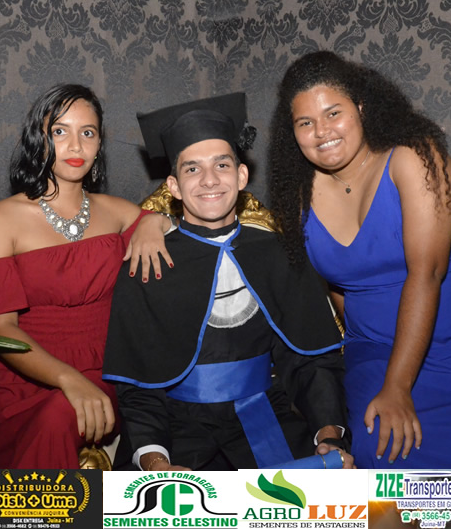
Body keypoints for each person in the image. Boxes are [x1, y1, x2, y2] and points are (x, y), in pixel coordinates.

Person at [268, 51, 451, 468]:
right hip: (373, 355)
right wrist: (156, 219)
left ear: (361, 107)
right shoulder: (299, 193)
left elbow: (428, 274)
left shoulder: (413, 157)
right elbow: (338, 285)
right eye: (305, 123)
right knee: (386, 486)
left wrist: (398, 387)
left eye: (334, 113)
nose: (321, 131)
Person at [102, 93, 353, 471]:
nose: (209, 180)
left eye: (221, 165)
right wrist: (157, 463)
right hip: (174, 430)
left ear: (241, 175)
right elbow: (138, 390)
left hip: (264, 415)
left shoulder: (281, 253)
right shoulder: (147, 262)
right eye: (192, 169)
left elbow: (310, 361)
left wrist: (328, 436)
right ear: (173, 186)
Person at [0, 84, 171, 468]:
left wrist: (152, 222)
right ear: (38, 139)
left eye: (87, 132)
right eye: (60, 131)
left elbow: (172, 226)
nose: (76, 145)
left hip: (107, 370)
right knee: (57, 412)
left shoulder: (117, 212)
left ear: (99, 144)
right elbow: (0, 329)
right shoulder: (0, 220)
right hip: (24, 379)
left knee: (61, 414)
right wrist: (67, 378)